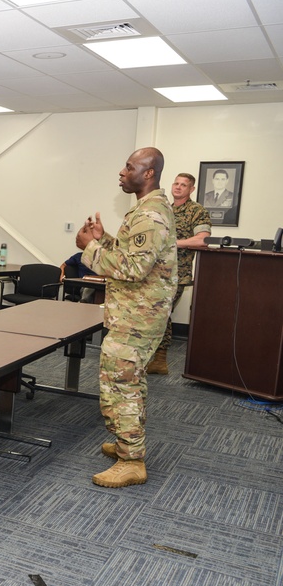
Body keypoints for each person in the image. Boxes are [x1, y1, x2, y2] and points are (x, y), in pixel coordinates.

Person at [76, 147, 176, 489]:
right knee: (130, 382)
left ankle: (132, 461)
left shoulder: (150, 214)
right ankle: (126, 442)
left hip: (138, 317)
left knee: (121, 385)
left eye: (129, 167)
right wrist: (104, 239)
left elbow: (133, 269)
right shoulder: (148, 209)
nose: (122, 171)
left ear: (148, 173)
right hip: (137, 314)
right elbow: (134, 253)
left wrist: (89, 248)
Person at [147, 172, 211, 374]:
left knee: (162, 312)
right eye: (176, 183)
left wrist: (172, 245)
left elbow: (202, 240)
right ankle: (151, 358)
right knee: (154, 313)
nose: (178, 187)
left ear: (191, 189)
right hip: (152, 270)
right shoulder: (165, 208)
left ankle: (160, 358)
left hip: (176, 273)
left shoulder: (196, 211)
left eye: (184, 185)